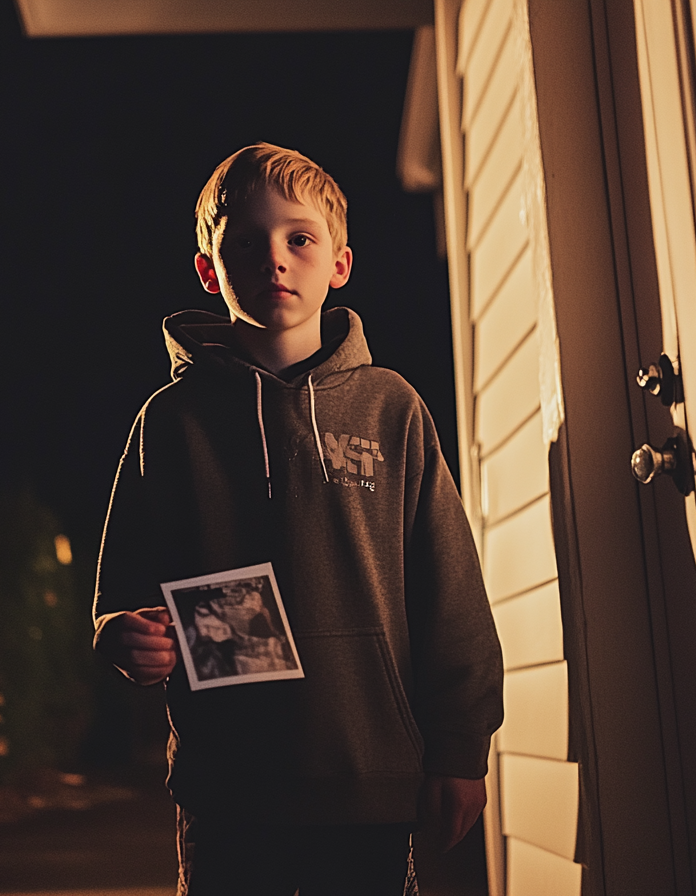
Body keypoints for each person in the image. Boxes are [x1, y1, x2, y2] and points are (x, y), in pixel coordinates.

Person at [93, 142, 503, 895]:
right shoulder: (172, 420)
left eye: (299, 238)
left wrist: (459, 749)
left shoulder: (392, 408)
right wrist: (125, 633)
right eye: (244, 242)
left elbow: (449, 590)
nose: (274, 258)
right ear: (209, 271)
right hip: (227, 788)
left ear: (339, 262)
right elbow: (122, 593)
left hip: (368, 778)